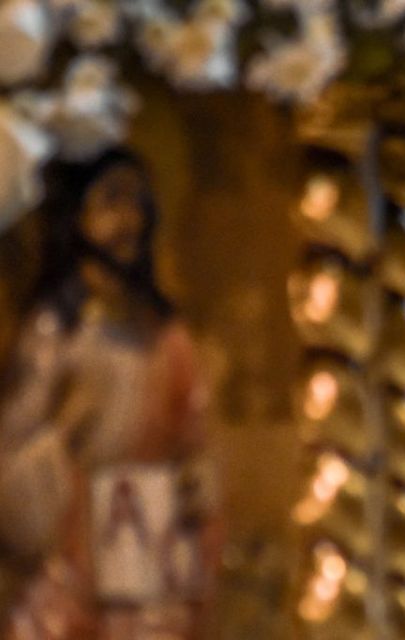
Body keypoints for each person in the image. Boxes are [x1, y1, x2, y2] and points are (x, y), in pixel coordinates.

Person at [0, 148, 218, 639]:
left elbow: (196, 439)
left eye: (138, 202)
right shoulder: (54, 332)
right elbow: (12, 463)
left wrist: (194, 481)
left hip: (151, 561)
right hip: (75, 559)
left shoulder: (164, 334)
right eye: (111, 200)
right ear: (76, 217)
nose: (129, 219)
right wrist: (66, 431)